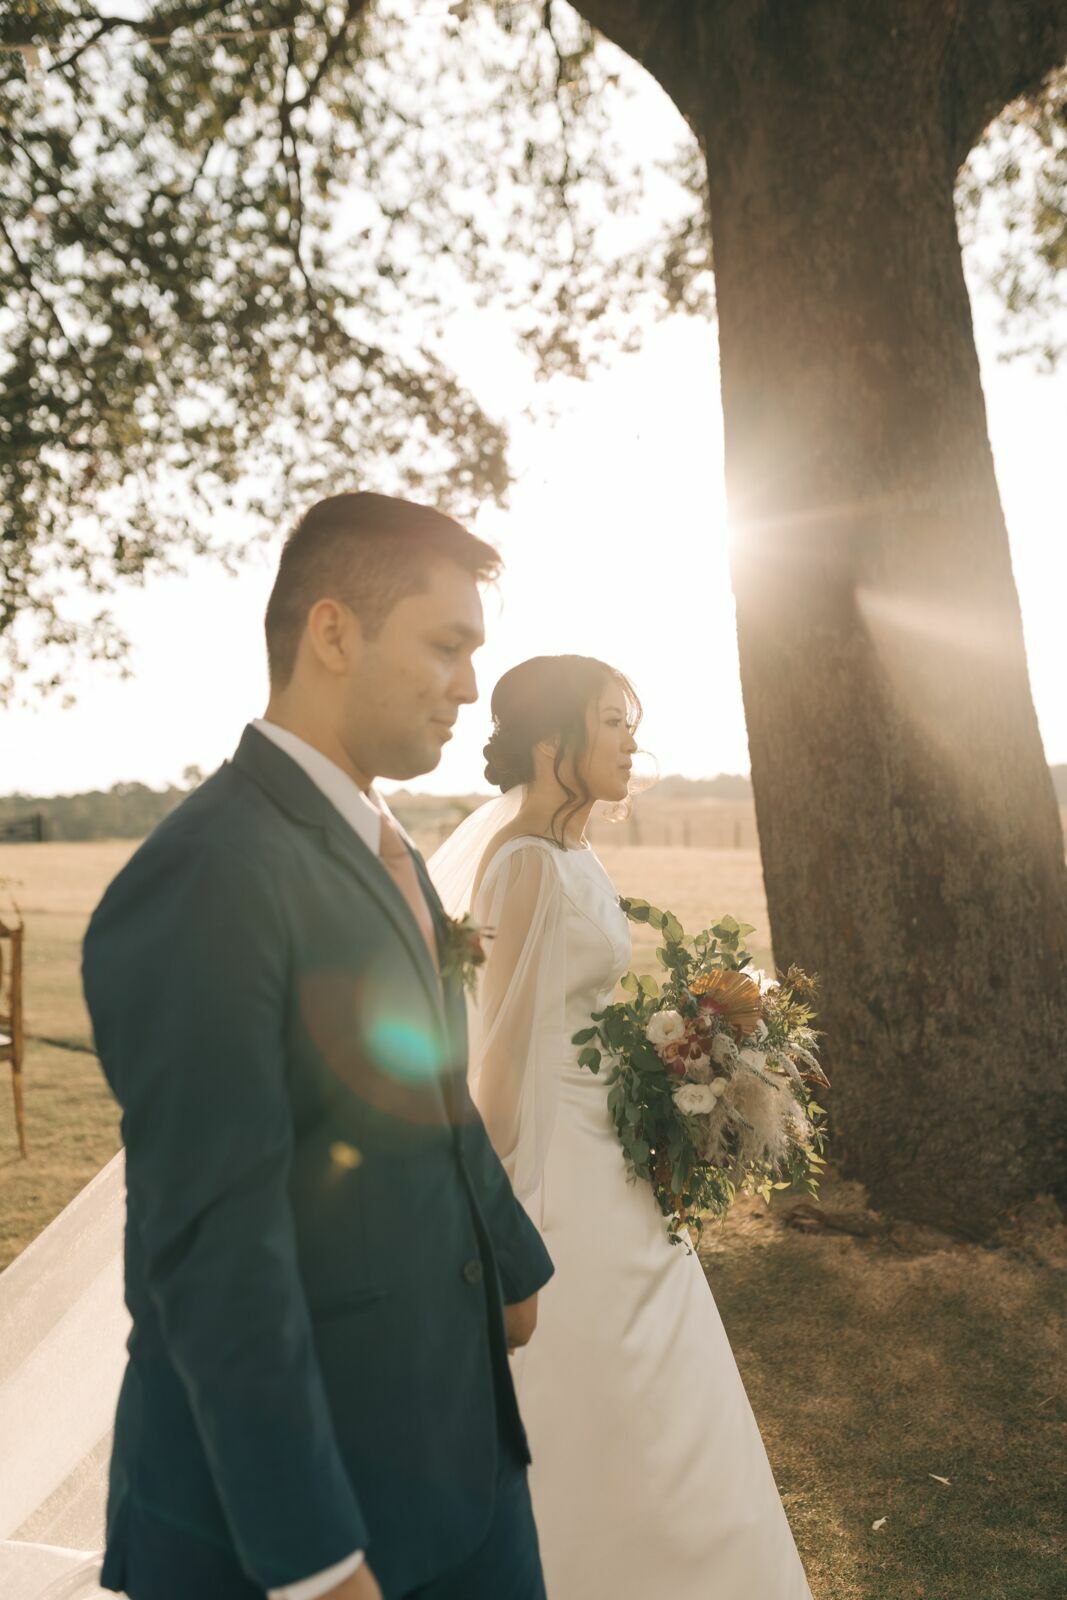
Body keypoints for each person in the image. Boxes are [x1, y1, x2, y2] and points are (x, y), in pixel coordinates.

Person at [0, 492, 554, 1600]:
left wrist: (506, 1260)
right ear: (334, 631)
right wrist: (315, 1563)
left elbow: (417, 1083)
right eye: (446, 646)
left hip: (461, 1462)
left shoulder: (384, 844)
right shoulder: (207, 874)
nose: (465, 687)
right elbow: (215, 1251)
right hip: (298, 1526)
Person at [430, 654, 813, 1600]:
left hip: (609, 1147)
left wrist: (681, 1055)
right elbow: (503, 1059)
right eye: (612, 722)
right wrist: (497, 1211)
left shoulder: (575, 853)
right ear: (554, 743)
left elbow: (582, 1013)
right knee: (596, 1373)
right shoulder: (523, 863)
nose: (631, 742)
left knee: (657, 1376)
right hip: (558, 1173)